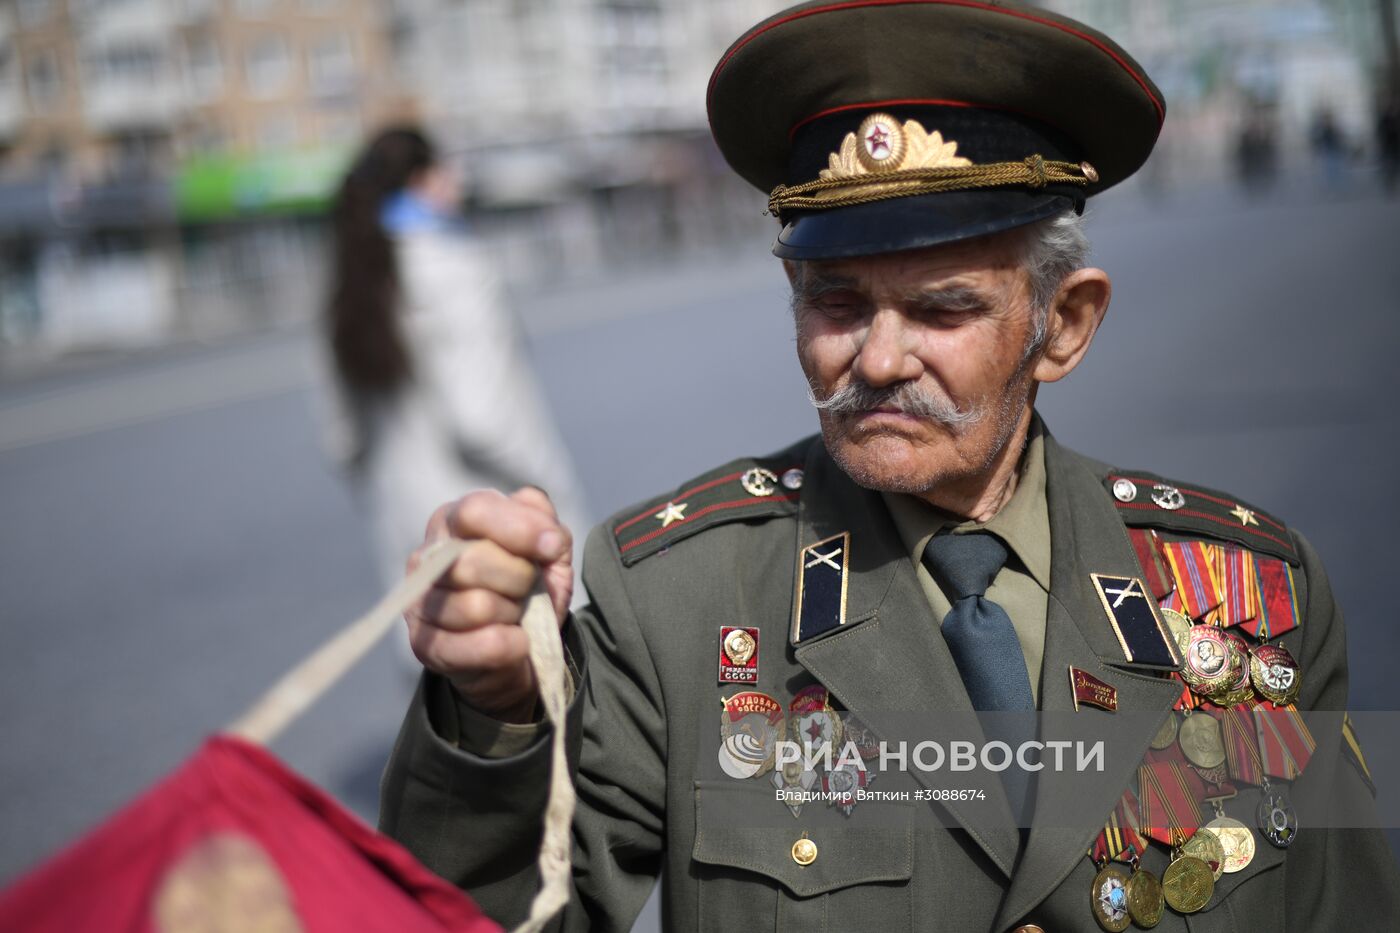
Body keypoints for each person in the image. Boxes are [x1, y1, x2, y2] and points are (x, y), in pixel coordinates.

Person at [378, 4, 1400, 931]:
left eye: (942, 308)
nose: (873, 358)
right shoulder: (683, 600)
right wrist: (497, 710)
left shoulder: (1252, 598)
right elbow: (484, 916)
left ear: (1063, 324)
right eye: (835, 301)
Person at [318, 127, 589, 604]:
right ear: (422, 180)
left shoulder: (349, 278)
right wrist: (550, 489)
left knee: (430, 649)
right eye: (447, 170)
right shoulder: (455, 268)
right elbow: (483, 419)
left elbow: (343, 441)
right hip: (494, 521)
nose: (457, 182)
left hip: (407, 524)